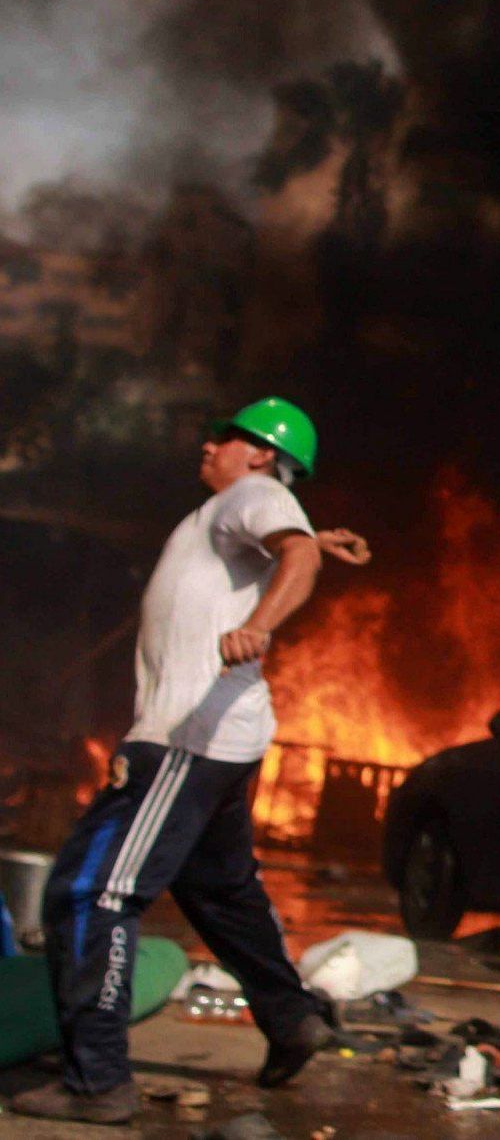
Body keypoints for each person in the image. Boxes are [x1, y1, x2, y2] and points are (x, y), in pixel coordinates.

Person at [20, 398, 369, 1125]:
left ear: (262, 453)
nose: (207, 444)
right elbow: (290, 544)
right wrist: (303, 537)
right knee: (221, 889)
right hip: (221, 740)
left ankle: (98, 1081)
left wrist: (259, 624)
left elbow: (294, 554)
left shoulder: (254, 492)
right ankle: (294, 1018)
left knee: (93, 893)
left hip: (184, 739)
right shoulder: (238, 506)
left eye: (226, 436)